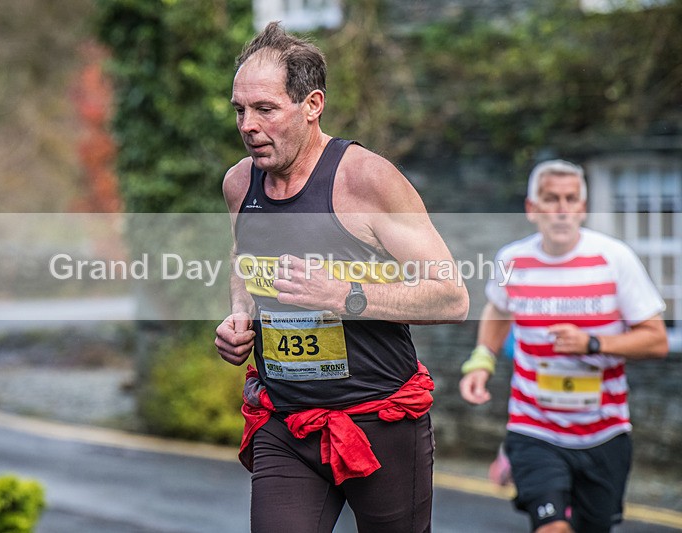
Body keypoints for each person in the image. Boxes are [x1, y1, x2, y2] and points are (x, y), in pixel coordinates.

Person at [214, 22, 468, 533]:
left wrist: (344, 297)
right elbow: (245, 256)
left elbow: (451, 296)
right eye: (240, 109)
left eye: (265, 109)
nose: (248, 125)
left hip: (380, 420)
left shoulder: (366, 179)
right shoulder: (241, 182)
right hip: (285, 420)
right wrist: (240, 314)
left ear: (312, 105)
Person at [459, 160, 668, 533]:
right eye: (551, 199)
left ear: (583, 207)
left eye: (571, 199)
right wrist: (481, 360)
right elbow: (497, 308)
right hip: (534, 427)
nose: (561, 209)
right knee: (552, 527)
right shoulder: (512, 260)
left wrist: (592, 342)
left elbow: (656, 339)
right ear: (531, 208)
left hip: (604, 432)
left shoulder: (614, 259)